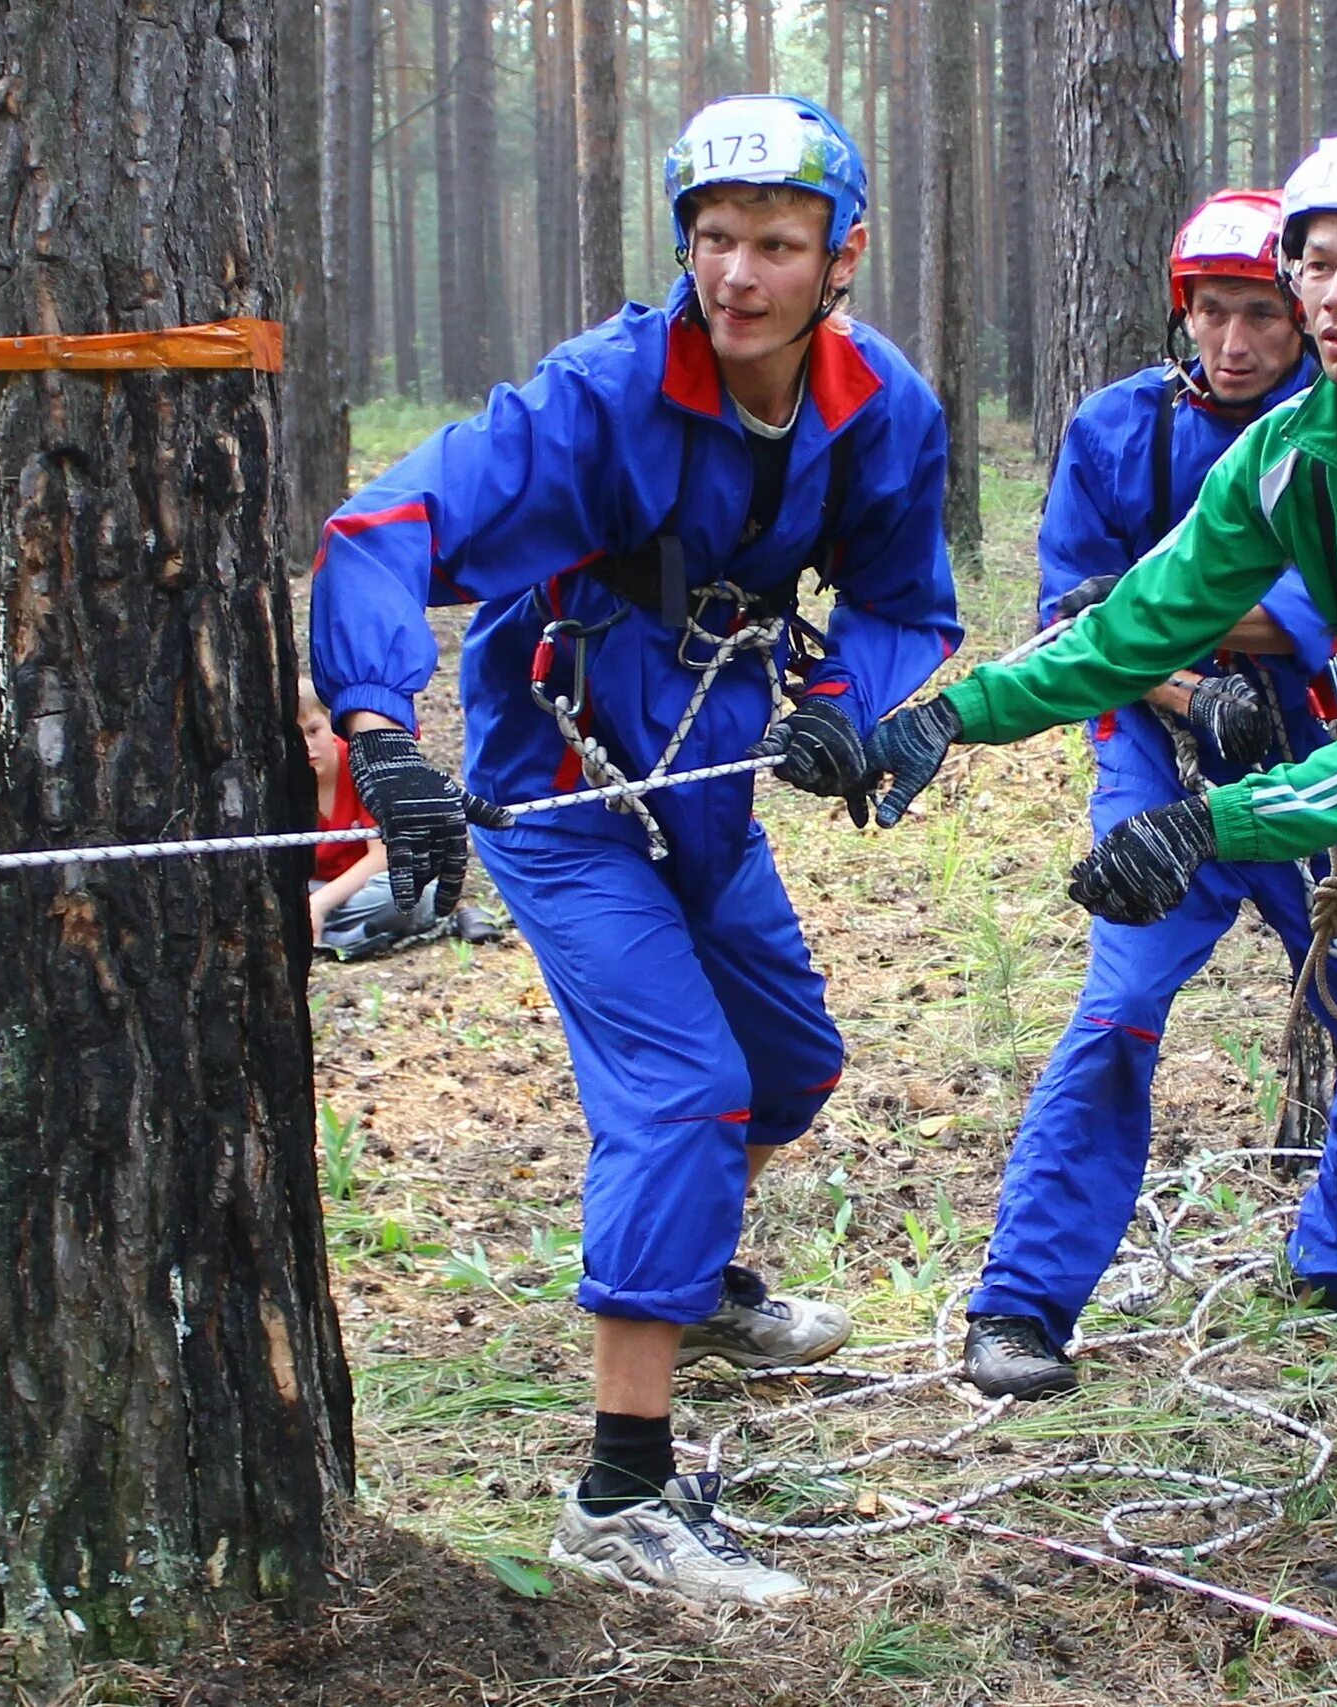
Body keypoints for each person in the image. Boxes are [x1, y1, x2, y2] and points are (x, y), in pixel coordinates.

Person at [862, 131, 1337, 1595]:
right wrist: (943, 720)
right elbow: (1132, 625)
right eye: (1318, 261)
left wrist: (1212, 821)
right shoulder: (1290, 455)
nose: (1330, 295)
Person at [308, 93, 959, 1606]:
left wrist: (844, 710)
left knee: (787, 1065)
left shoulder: (881, 405)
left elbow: (902, 592)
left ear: (840, 256)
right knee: (682, 1091)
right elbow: (387, 519)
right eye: (714, 238)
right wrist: (384, 734)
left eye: (777, 245)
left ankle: (690, 1276)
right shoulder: (602, 394)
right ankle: (620, 1491)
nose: (737, 274)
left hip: (713, 780)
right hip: (563, 784)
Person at [960, 190, 1337, 1400]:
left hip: (1321, 765)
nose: (1237, 342)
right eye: (1214, 313)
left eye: (1263, 313)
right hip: (1156, 762)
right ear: (1180, 312)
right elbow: (1072, 618)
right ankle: (1021, 1304)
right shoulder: (1115, 431)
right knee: (1120, 1005)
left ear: (1305, 315)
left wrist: (1180, 635)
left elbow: (1327, 612)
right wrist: (1190, 694)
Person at [301, 680, 500, 955]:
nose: (308, 746)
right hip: (317, 888)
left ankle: (330, 934)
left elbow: (381, 857)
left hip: (372, 882)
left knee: (404, 895)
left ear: (330, 724)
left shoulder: (361, 763)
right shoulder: (282, 779)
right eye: (297, 736)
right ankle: (344, 936)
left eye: (314, 731)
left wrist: (319, 904)